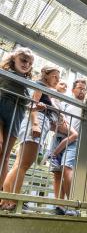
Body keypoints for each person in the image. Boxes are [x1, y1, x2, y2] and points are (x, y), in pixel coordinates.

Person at [0, 66, 60, 210]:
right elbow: (33, 105)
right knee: (23, 164)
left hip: (40, 123)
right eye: (55, 76)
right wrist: (35, 124)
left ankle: (6, 200)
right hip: (36, 121)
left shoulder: (49, 92)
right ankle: (12, 201)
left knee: (20, 164)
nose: (57, 79)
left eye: (59, 77)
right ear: (46, 75)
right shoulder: (40, 85)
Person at [51, 78, 87, 215]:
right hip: (58, 138)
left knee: (67, 168)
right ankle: (59, 206)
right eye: (80, 88)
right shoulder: (65, 103)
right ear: (73, 90)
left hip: (74, 141)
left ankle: (71, 205)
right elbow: (55, 121)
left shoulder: (86, 106)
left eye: (84, 89)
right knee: (57, 172)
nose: (82, 91)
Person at [0, 48, 34, 190]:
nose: (26, 64)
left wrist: (36, 108)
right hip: (1, 107)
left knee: (5, 156)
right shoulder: (4, 72)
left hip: (17, 114)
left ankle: (1, 193)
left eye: (30, 63)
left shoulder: (29, 83)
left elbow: (27, 104)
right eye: (24, 60)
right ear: (14, 58)